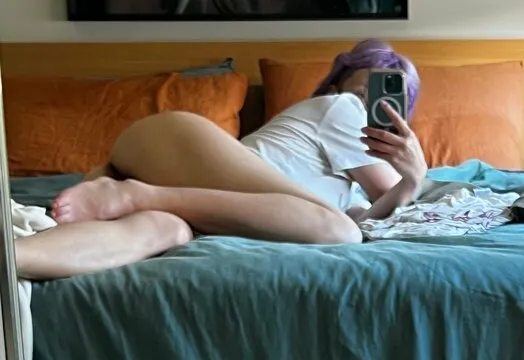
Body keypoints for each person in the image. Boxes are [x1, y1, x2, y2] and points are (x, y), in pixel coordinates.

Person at [15, 39, 427, 281]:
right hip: (172, 145)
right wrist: (414, 177)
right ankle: (137, 195)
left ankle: (14, 257)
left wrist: (408, 183)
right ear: (336, 88)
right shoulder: (340, 108)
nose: (368, 109)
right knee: (338, 230)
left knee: (161, 232)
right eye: (360, 93)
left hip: (188, 196)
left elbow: (370, 219)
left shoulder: (343, 188)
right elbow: (363, 214)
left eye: (386, 104)